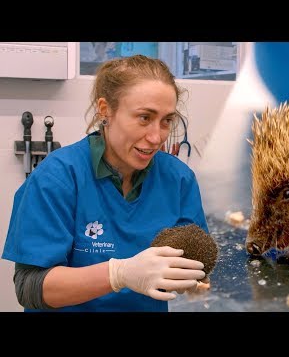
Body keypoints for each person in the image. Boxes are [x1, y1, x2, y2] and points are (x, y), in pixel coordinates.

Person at [2, 55, 209, 312]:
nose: (157, 137)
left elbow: (195, 260)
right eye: (144, 118)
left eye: (166, 121)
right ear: (105, 110)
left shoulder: (178, 179)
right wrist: (118, 274)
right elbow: (29, 287)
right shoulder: (57, 178)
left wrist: (190, 275)